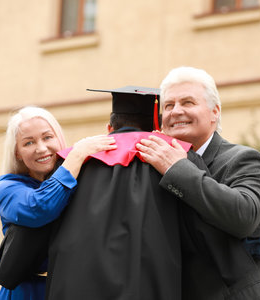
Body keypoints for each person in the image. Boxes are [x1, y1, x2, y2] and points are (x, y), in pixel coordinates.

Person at [137, 66, 260, 299]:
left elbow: (244, 217)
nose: (176, 111)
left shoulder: (244, 159)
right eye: (168, 105)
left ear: (215, 111)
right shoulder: (149, 164)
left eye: (187, 102)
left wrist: (177, 169)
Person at [44, 86, 189, 300]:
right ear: (154, 127)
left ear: (109, 128)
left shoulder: (72, 160)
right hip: (149, 287)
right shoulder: (177, 157)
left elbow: (43, 217)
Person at [0, 106, 116, 300]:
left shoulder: (78, 176)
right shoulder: (7, 188)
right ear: (17, 152)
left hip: (73, 287)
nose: (41, 148)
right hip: (28, 292)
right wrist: (76, 155)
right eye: (29, 143)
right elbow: (40, 207)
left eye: (47, 137)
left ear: (59, 138)